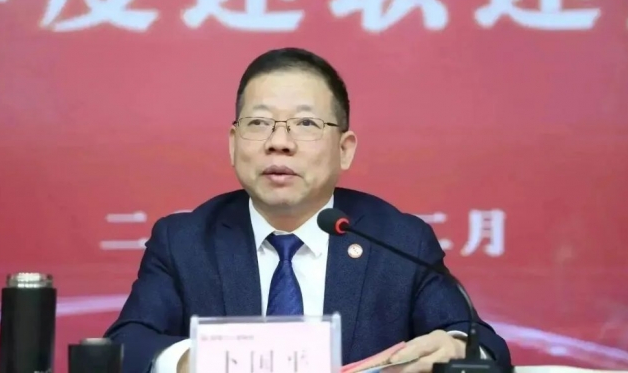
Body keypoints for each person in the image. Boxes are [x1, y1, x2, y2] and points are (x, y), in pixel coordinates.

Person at [105, 48, 512, 373]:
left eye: (306, 124)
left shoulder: (398, 241)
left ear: (344, 149)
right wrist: (191, 362)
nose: (279, 142)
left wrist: (456, 347)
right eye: (259, 123)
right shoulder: (185, 242)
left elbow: (483, 343)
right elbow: (125, 345)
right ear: (233, 143)